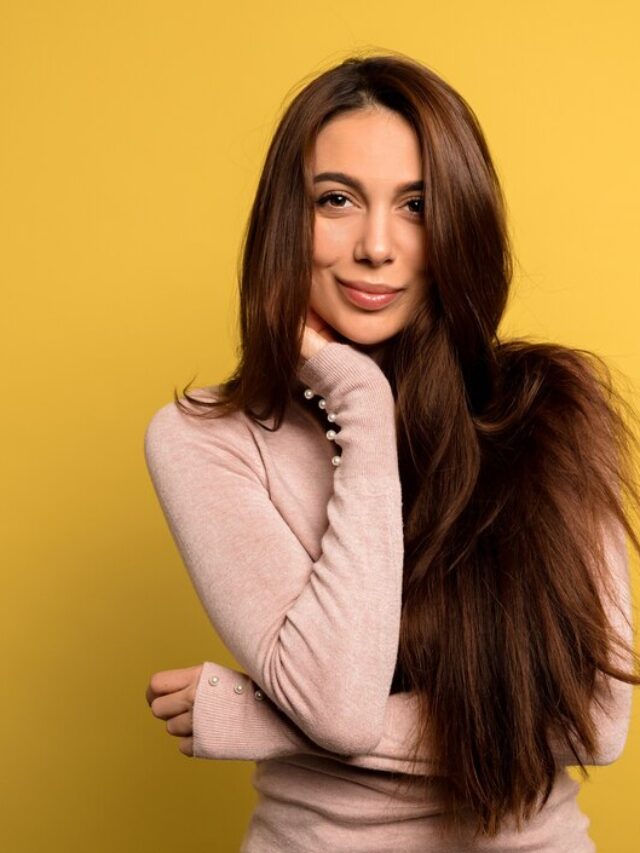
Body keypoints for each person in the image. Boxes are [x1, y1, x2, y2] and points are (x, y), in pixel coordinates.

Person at [143, 51, 640, 851]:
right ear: (286, 220)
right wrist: (361, 405)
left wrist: (261, 718)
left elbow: (597, 723)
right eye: (336, 200)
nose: (377, 245)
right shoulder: (206, 440)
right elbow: (337, 707)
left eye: (417, 205)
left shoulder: (549, 410)